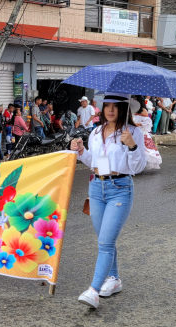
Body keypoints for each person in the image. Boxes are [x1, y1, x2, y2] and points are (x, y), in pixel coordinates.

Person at [70, 93, 147, 309]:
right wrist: (82, 151)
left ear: (124, 108)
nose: (111, 110)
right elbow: (93, 161)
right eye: (107, 106)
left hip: (120, 189)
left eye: (116, 106)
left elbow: (138, 168)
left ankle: (93, 290)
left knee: (104, 243)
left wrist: (131, 146)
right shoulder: (96, 131)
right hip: (96, 187)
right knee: (105, 239)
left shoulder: (133, 132)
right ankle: (113, 279)